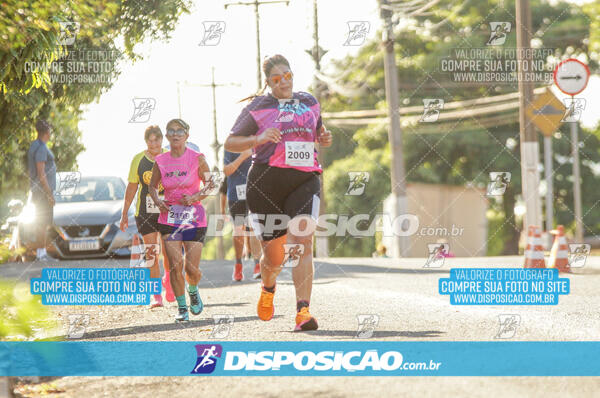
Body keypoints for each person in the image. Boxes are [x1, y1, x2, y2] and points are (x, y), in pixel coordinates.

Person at [224, 54, 333, 331]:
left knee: (301, 241)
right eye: (277, 78)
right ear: (268, 82)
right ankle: (268, 287)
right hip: (266, 183)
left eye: (288, 75)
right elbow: (231, 142)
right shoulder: (259, 106)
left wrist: (324, 136)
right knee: (274, 258)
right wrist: (257, 138)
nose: (284, 81)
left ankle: (303, 312)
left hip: (305, 180)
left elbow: (318, 130)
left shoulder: (309, 101)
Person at [148, 118, 211, 322]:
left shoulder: (198, 158)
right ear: (167, 136)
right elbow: (152, 186)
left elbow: (212, 184)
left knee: (191, 269)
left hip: (194, 217)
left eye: (180, 131)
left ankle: (193, 289)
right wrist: (158, 200)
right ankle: (182, 308)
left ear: (187, 136)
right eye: (171, 131)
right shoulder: (161, 161)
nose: (175, 134)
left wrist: (195, 197)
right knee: (175, 265)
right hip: (170, 217)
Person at [120, 125, 175, 308]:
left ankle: (168, 280)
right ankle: (156, 295)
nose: (154, 143)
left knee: (168, 253)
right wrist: (124, 214)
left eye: (157, 140)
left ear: (162, 140)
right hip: (145, 212)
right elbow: (132, 188)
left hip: (166, 211)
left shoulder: (170, 156)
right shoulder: (138, 160)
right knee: (152, 253)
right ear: (146, 142)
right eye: (150, 140)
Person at [223, 148, 262, 281]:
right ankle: (238, 265)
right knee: (239, 229)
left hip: (255, 190)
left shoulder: (257, 140)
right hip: (236, 194)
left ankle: (257, 265)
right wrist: (243, 156)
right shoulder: (231, 144)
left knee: (253, 227)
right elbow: (227, 171)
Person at [27, 120, 57, 261]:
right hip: (42, 192)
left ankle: (41, 253)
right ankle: (42, 254)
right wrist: (49, 193)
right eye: (50, 131)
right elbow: (41, 173)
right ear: (47, 132)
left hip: (37, 191)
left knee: (41, 222)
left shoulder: (35, 146)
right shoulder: (41, 148)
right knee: (43, 223)